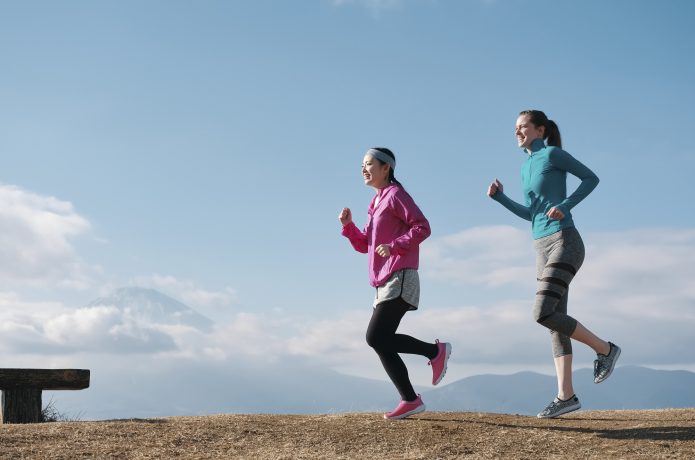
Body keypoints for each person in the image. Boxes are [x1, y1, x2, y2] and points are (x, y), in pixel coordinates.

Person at [487, 110, 621, 418]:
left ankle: (605, 349)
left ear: (540, 130)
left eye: (523, 127)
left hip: (565, 241)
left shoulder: (553, 154)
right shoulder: (524, 168)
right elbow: (532, 214)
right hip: (541, 247)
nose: (517, 132)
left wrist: (565, 205)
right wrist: (501, 199)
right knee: (553, 321)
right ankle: (566, 396)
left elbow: (591, 178)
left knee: (541, 312)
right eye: (515, 128)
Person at [339, 147, 452, 420]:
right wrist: (349, 226)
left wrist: (395, 246)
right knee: (381, 341)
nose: (363, 169)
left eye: (368, 164)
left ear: (386, 167)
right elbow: (367, 244)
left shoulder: (396, 195)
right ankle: (410, 399)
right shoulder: (376, 201)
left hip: (400, 276)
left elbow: (422, 227)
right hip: (384, 279)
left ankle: (435, 351)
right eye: (361, 165)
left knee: (375, 336)